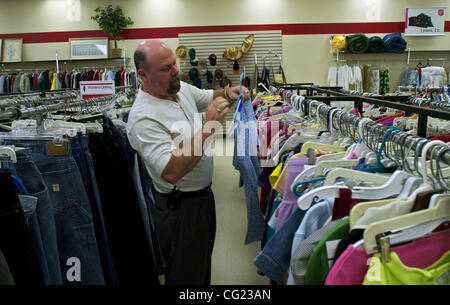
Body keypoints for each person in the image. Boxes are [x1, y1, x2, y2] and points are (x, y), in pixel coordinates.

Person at [127, 40, 251, 285]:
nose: (175, 70)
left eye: (174, 63)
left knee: (201, 269)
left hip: (203, 199)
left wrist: (229, 92)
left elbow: (207, 95)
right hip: (178, 210)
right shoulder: (142, 118)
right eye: (166, 68)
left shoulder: (178, 87)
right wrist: (209, 127)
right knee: (185, 277)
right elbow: (171, 172)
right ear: (143, 74)